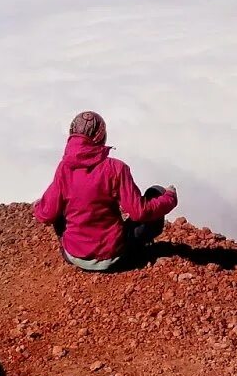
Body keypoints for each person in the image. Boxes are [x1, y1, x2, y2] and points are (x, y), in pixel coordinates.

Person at [33, 110, 178, 271]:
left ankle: (77, 247)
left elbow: (46, 214)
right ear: (101, 136)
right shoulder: (116, 168)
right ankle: (140, 252)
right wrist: (169, 197)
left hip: (74, 256)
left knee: (57, 203)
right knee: (156, 192)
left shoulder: (64, 168)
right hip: (115, 257)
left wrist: (39, 205)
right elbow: (140, 212)